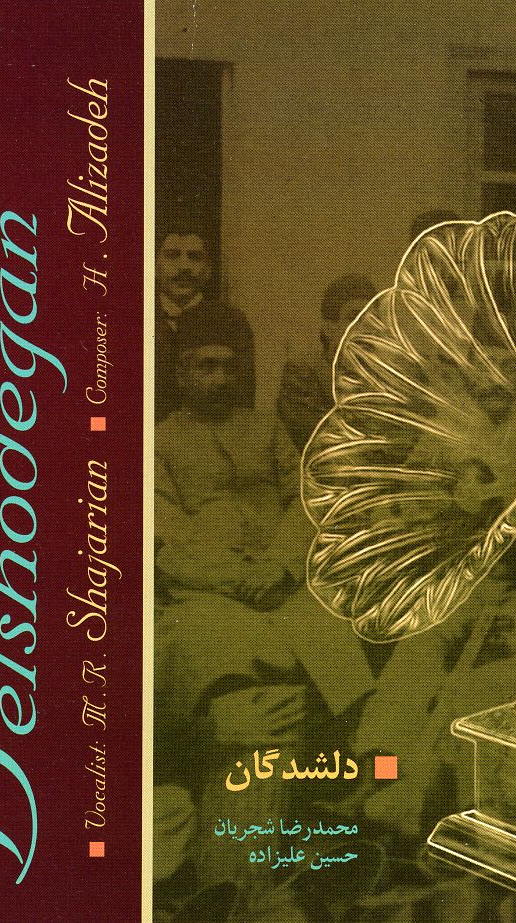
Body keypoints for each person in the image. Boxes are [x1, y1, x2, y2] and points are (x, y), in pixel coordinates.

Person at [153, 307, 377, 918]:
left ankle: (348, 792)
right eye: (204, 366)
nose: (218, 378)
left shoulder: (266, 429)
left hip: (275, 579)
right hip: (205, 590)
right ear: (181, 372)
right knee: (243, 667)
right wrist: (232, 577)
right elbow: (163, 536)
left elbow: (304, 502)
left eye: (228, 367)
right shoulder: (161, 442)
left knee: (330, 631)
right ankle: (237, 872)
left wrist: (279, 565)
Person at [154, 219, 254, 420]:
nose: (184, 267)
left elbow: (243, 401)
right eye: (172, 256)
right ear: (155, 266)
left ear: (208, 270)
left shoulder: (232, 321)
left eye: (195, 257)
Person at [276, 273, 377, 451]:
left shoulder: (383, 376)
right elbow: (319, 436)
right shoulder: (302, 371)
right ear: (328, 328)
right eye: (353, 317)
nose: (365, 327)